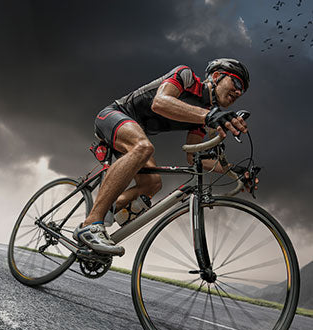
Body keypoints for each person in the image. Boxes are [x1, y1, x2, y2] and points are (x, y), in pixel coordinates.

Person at [74, 58, 257, 257]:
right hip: (114, 115)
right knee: (144, 147)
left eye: (243, 90)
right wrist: (209, 116)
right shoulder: (187, 77)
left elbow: (193, 155)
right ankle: (91, 225)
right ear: (216, 76)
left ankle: (102, 213)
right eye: (236, 82)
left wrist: (235, 171)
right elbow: (160, 102)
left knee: (152, 184)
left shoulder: (205, 114)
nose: (239, 92)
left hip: (135, 133)